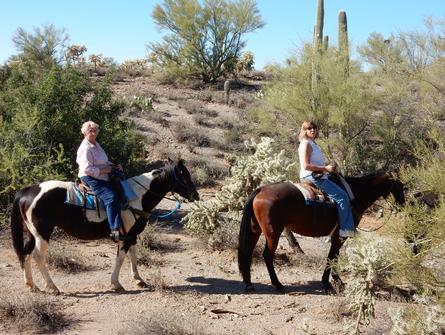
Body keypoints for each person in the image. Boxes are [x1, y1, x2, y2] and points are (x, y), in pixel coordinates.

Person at [298, 120, 355, 239]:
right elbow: (306, 165)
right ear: (305, 130)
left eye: (314, 128)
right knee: (343, 197)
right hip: (312, 176)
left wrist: (328, 169)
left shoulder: (312, 143)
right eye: (309, 128)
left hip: (319, 174)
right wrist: (325, 168)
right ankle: (346, 231)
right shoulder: (306, 144)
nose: (312, 130)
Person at [76, 121, 125, 242]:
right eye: (90, 131)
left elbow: (103, 161)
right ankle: (114, 230)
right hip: (90, 178)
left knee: (123, 185)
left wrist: (113, 166)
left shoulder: (96, 144)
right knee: (111, 198)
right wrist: (105, 170)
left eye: (95, 130)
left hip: (102, 174)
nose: (93, 133)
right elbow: (87, 170)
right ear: (85, 133)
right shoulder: (85, 148)